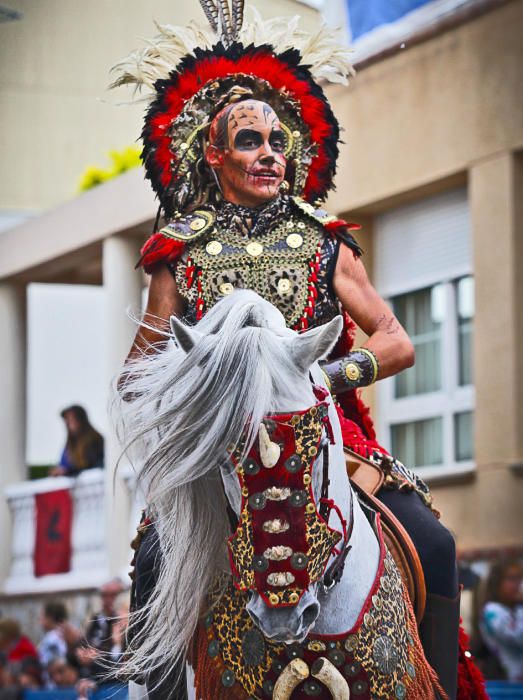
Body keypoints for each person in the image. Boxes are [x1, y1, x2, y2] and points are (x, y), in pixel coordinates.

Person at [111, 2, 478, 698]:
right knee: (157, 556)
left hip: (329, 435)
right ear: (212, 154)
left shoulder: (324, 241)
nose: (270, 155)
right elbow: (138, 373)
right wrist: (196, 388)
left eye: (277, 141)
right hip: (220, 452)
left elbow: (395, 341)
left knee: (433, 543)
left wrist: (325, 377)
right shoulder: (176, 255)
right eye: (250, 142)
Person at [480, 560, 523, 681]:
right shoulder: (492, 611)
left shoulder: (515, 609)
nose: (517, 585)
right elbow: (517, 635)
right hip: (504, 681)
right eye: (511, 579)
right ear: (497, 583)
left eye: (519, 579)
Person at [50, 405, 104, 476]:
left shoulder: (95, 440)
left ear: (81, 419)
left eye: (71, 420)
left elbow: (92, 466)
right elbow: (63, 465)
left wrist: (68, 471)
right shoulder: (69, 446)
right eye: (67, 421)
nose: (68, 424)